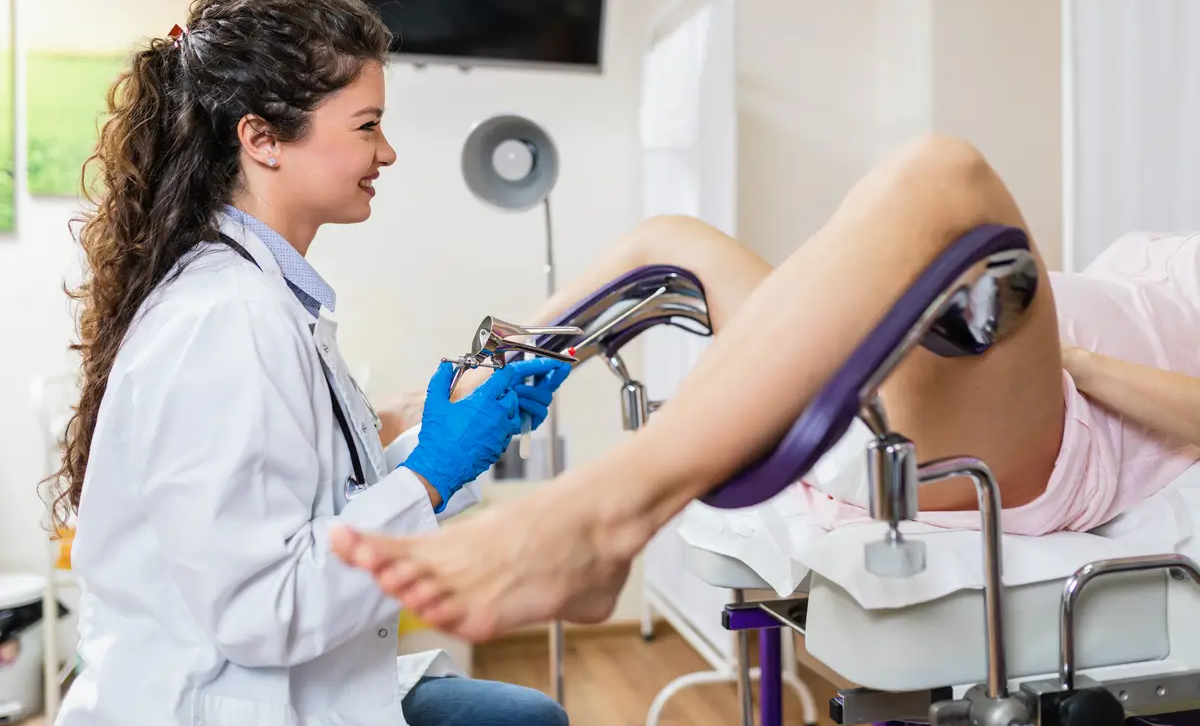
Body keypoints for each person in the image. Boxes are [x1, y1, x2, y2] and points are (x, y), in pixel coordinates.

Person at [331, 132, 1200, 642]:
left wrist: (1072, 362)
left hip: (1057, 433)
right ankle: (432, 401)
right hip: (935, 383)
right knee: (666, 240)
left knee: (946, 176)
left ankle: (603, 517)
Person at [48, 0, 571, 726]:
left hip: (295, 678)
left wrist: (451, 442)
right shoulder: (226, 320)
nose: (386, 152)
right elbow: (267, 608)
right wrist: (429, 475)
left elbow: (309, 509)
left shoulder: (266, 299)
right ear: (261, 139)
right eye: (367, 126)